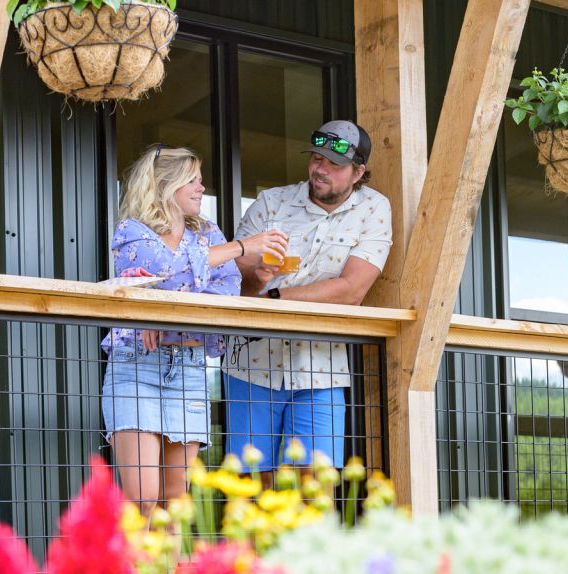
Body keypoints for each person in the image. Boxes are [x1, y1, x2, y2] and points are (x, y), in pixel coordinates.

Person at [102, 144, 288, 514]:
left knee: (176, 499)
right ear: (166, 184)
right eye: (194, 180)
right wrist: (239, 247)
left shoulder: (208, 233)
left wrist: (163, 313)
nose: (202, 188)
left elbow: (226, 288)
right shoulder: (131, 231)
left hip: (188, 367)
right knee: (142, 497)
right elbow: (166, 271)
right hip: (137, 365)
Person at [224, 120, 392, 469]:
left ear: (358, 172)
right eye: (316, 158)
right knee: (251, 483)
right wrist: (257, 278)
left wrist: (276, 297)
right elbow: (233, 284)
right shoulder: (271, 203)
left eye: (334, 163)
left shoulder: (374, 209)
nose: (320, 168)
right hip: (251, 364)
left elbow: (351, 291)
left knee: (315, 484)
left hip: (323, 367)